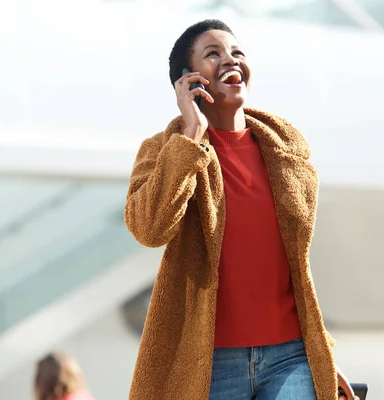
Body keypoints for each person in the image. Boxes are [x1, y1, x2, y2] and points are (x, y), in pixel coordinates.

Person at [124, 19, 355, 400]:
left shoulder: (284, 150)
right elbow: (149, 229)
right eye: (213, 54)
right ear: (188, 80)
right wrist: (191, 135)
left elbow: (296, 271)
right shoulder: (166, 150)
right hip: (209, 362)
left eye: (237, 52)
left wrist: (320, 353)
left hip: (291, 357)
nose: (230, 60)